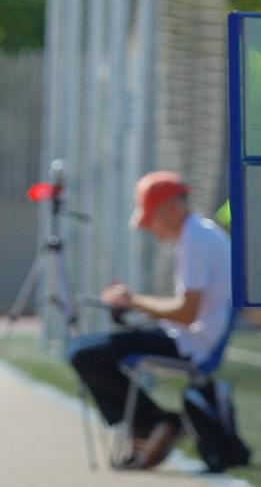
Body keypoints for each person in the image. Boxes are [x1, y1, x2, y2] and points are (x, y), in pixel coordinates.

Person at [67, 171, 232, 470]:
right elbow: (186, 309)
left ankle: (154, 423)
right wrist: (137, 305)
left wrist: (134, 301)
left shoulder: (195, 239)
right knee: (88, 350)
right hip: (185, 336)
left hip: (191, 343)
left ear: (170, 208)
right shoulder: (197, 234)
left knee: (83, 353)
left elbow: (186, 312)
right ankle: (152, 423)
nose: (149, 228)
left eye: (150, 218)